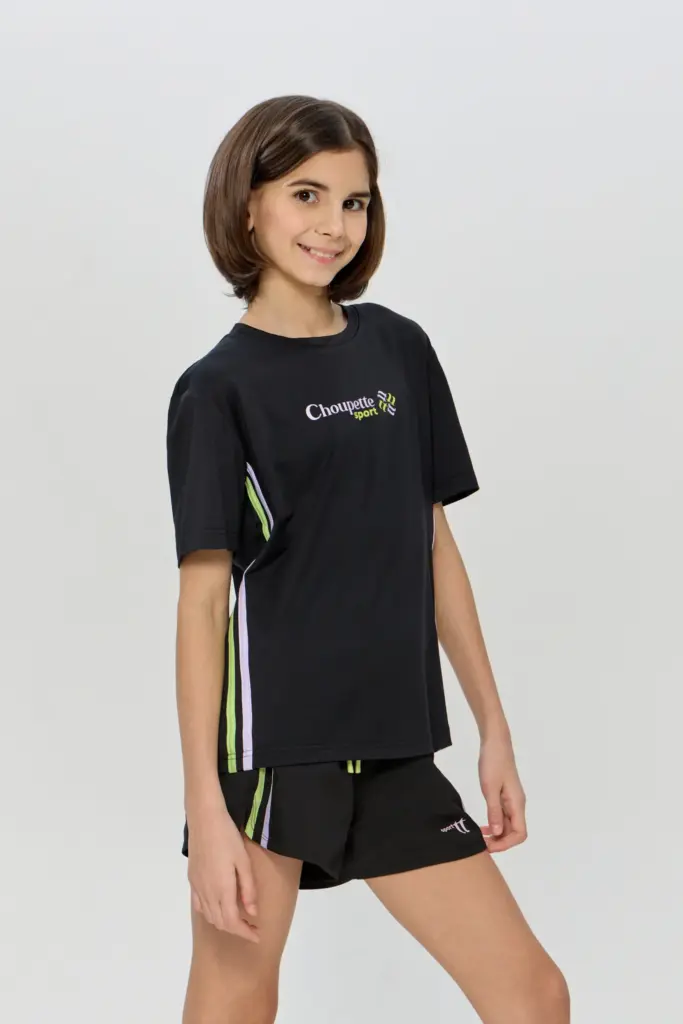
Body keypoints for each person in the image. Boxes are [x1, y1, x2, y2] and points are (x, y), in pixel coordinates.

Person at [165, 95, 570, 1024]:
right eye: (306, 195)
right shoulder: (217, 390)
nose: (334, 225)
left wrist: (492, 727)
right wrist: (208, 809)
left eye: (354, 201)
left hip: (393, 745)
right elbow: (201, 603)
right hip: (272, 755)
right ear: (248, 205)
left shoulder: (397, 348)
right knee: (234, 1000)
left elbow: (432, 543)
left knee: (531, 995)